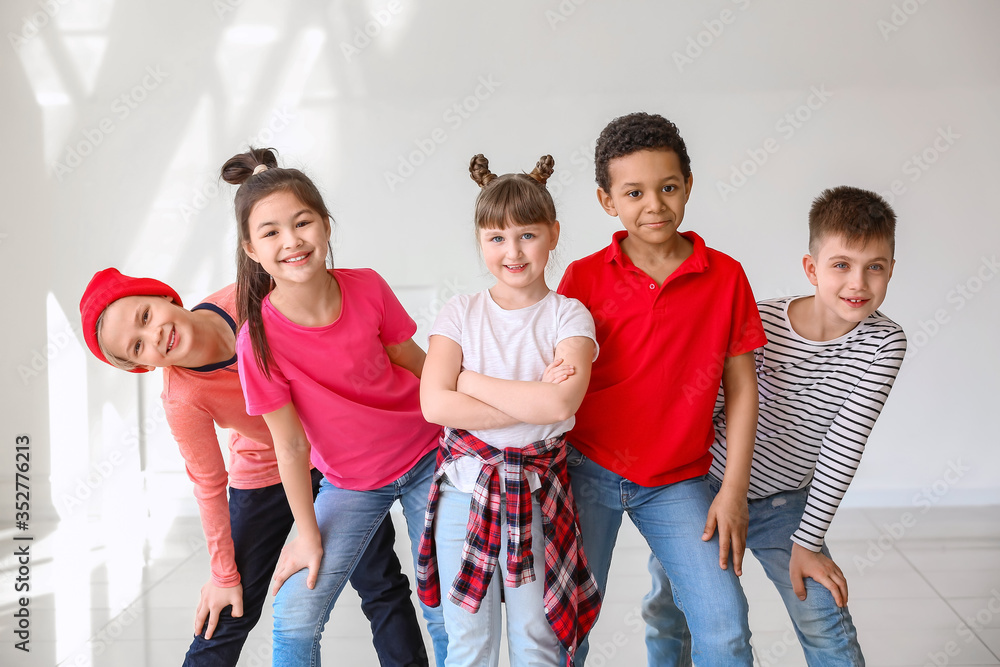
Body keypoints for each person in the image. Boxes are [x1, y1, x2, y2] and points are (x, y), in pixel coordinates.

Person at [78, 267, 430, 667]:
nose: (153, 335)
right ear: (141, 366)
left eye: (145, 316)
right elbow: (208, 484)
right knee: (230, 607)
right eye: (138, 348)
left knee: (381, 582)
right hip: (264, 469)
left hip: (335, 456)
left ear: (164, 297)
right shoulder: (182, 397)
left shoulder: (253, 296)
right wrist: (222, 575)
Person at [643, 185, 906, 666]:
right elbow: (709, 405)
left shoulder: (884, 343)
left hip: (787, 503)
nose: (858, 283)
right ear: (812, 269)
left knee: (824, 615)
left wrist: (807, 543)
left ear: (891, 270)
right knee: (671, 607)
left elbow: (843, 448)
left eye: (876, 267)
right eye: (841, 264)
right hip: (706, 490)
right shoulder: (761, 321)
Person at [556, 112, 767, 664]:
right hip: (587, 469)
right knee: (563, 630)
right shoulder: (582, 277)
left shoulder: (725, 277)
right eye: (634, 192)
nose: (654, 204)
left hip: (679, 480)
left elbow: (743, 389)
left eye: (668, 187)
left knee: (725, 628)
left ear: (688, 185)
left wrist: (733, 490)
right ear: (607, 201)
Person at [225, 148, 447, 667]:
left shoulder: (367, 286)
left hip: (429, 457)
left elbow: (418, 366)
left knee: (446, 609)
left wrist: (481, 411)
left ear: (325, 225)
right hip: (350, 483)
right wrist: (306, 534)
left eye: (302, 223)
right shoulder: (256, 338)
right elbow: (290, 443)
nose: (291, 241)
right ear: (251, 249)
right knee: (295, 617)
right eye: (271, 232)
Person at [416, 154, 602, 667]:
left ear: (554, 234)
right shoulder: (459, 312)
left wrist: (468, 382)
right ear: (480, 241)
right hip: (463, 493)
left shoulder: (568, 314)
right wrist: (530, 402)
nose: (513, 251)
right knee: (468, 641)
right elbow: (434, 404)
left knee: (535, 638)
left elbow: (561, 403)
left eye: (527, 235)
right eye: (497, 238)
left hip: (537, 496)